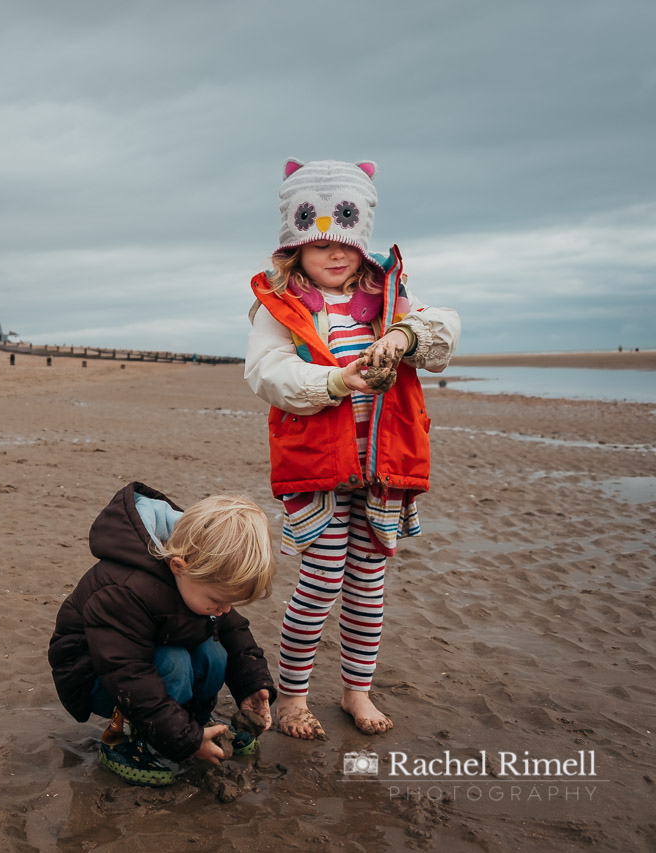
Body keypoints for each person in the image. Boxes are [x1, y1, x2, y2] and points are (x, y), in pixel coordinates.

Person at [244, 159, 460, 740]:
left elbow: (444, 331)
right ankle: (292, 697)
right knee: (320, 581)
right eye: (319, 245)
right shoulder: (282, 305)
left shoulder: (390, 299)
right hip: (319, 469)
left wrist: (401, 335)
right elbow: (267, 374)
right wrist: (338, 383)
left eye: (346, 242)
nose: (335, 254)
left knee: (368, 584)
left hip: (383, 468)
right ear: (295, 248)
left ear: (363, 243)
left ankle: (356, 691)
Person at [48, 482, 276, 787]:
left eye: (230, 602)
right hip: (95, 675)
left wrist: (252, 685)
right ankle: (123, 742)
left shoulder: (200, 582)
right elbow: (128, 673)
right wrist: (186, 741)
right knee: (175, 662)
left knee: (214, 652)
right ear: (179, 567)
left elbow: (233, 631)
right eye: (218, 600)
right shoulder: (126, 590)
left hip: (140, 666)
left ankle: (190, 719)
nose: (225, 609)